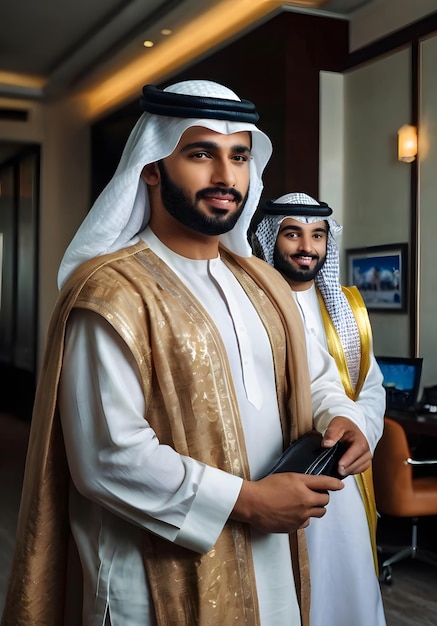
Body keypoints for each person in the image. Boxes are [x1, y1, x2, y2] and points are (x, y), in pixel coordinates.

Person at [1, 81, 374, 626]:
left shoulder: (262, 284)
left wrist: (344, 415)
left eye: (239, 157)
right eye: (201, 154)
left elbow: (314, 377)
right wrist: (247, 501)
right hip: (151, 581)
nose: (226, 177)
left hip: (272, 564)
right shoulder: (112, 292)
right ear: (152, 166)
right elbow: (107, 457)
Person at [254, 192, 386, 626]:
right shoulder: (252, 301)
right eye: (293, 234)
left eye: (317, 236)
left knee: (348, 585)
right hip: (276, 471)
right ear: (272, 238)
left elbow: (370, 385)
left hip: (343, 470)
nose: (306, 247)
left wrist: (360, 429)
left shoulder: (346, 306)